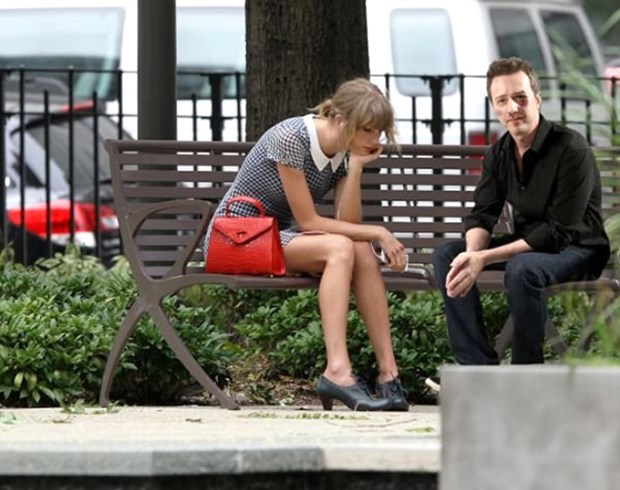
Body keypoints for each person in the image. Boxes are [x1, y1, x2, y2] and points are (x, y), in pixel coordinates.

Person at [204, 78, 410, 411]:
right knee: (341, 247)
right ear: (340, 119)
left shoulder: (344, 150)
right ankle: (337, 371)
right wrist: (380, 232)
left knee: (358, 248)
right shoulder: (291, 138)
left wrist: (355, 167)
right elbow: (310, 222)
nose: (374, 140)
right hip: (237, 237)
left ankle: (389, 375)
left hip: (277, 238)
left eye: (378, 132)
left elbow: (348, 222)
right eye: (367, 130)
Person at [431, 57, 610, 384]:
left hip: (579, 249)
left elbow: (557, 233)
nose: (512, 108)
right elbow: (483, 213)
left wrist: (484, 258)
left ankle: (526, 379)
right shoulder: (498, 154)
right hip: (530, 249)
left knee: (522, 268)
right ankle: (478, 373)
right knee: (448, 256)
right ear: (494, 107)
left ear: (537, 99)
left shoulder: (571, 148)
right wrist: (471, 255)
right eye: (502, 100)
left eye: (520, 97)